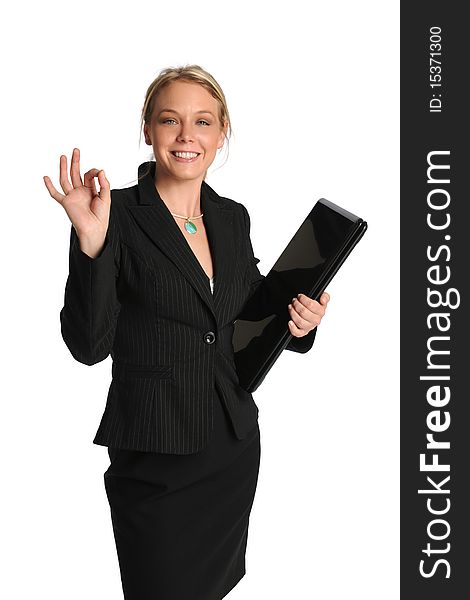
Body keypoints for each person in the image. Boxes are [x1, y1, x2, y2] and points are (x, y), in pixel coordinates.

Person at [44, 64, 330, 600]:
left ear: (222, 134)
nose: (186, 136)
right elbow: (88, 345)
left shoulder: (231, 217)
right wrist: (90, 243)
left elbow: (251, 314)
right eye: (170, 120)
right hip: (155, 453)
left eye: (202, 122)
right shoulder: (116, 213)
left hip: (230, 444)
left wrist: (302, 322)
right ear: (147, 129)